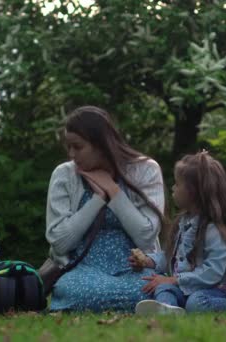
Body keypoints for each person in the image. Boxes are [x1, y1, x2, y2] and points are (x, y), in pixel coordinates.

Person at [46, 105, 166, 312]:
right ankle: (141, 306)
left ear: (101, 145)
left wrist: (113, 191)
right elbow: (59, 243)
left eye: (78, 147)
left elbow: (146, 236)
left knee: (148, 289)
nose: (72, 154)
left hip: (135, 269)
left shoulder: (146, 170)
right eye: (69, 147)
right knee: (77, 291)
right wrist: (98, 198)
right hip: (83, 269)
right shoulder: (64, 174)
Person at [133, 152, 226, 314]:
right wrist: (150, 261)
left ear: (193, 192)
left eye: (177, 184)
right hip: (185, 287)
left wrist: (175, 280)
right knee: (163, 287)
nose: (173, 188)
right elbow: (173, 256)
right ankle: (168, 309)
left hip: (212, 289)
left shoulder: (214, 231)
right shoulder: (184, 222)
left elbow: (212, 273)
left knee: (196, 303)